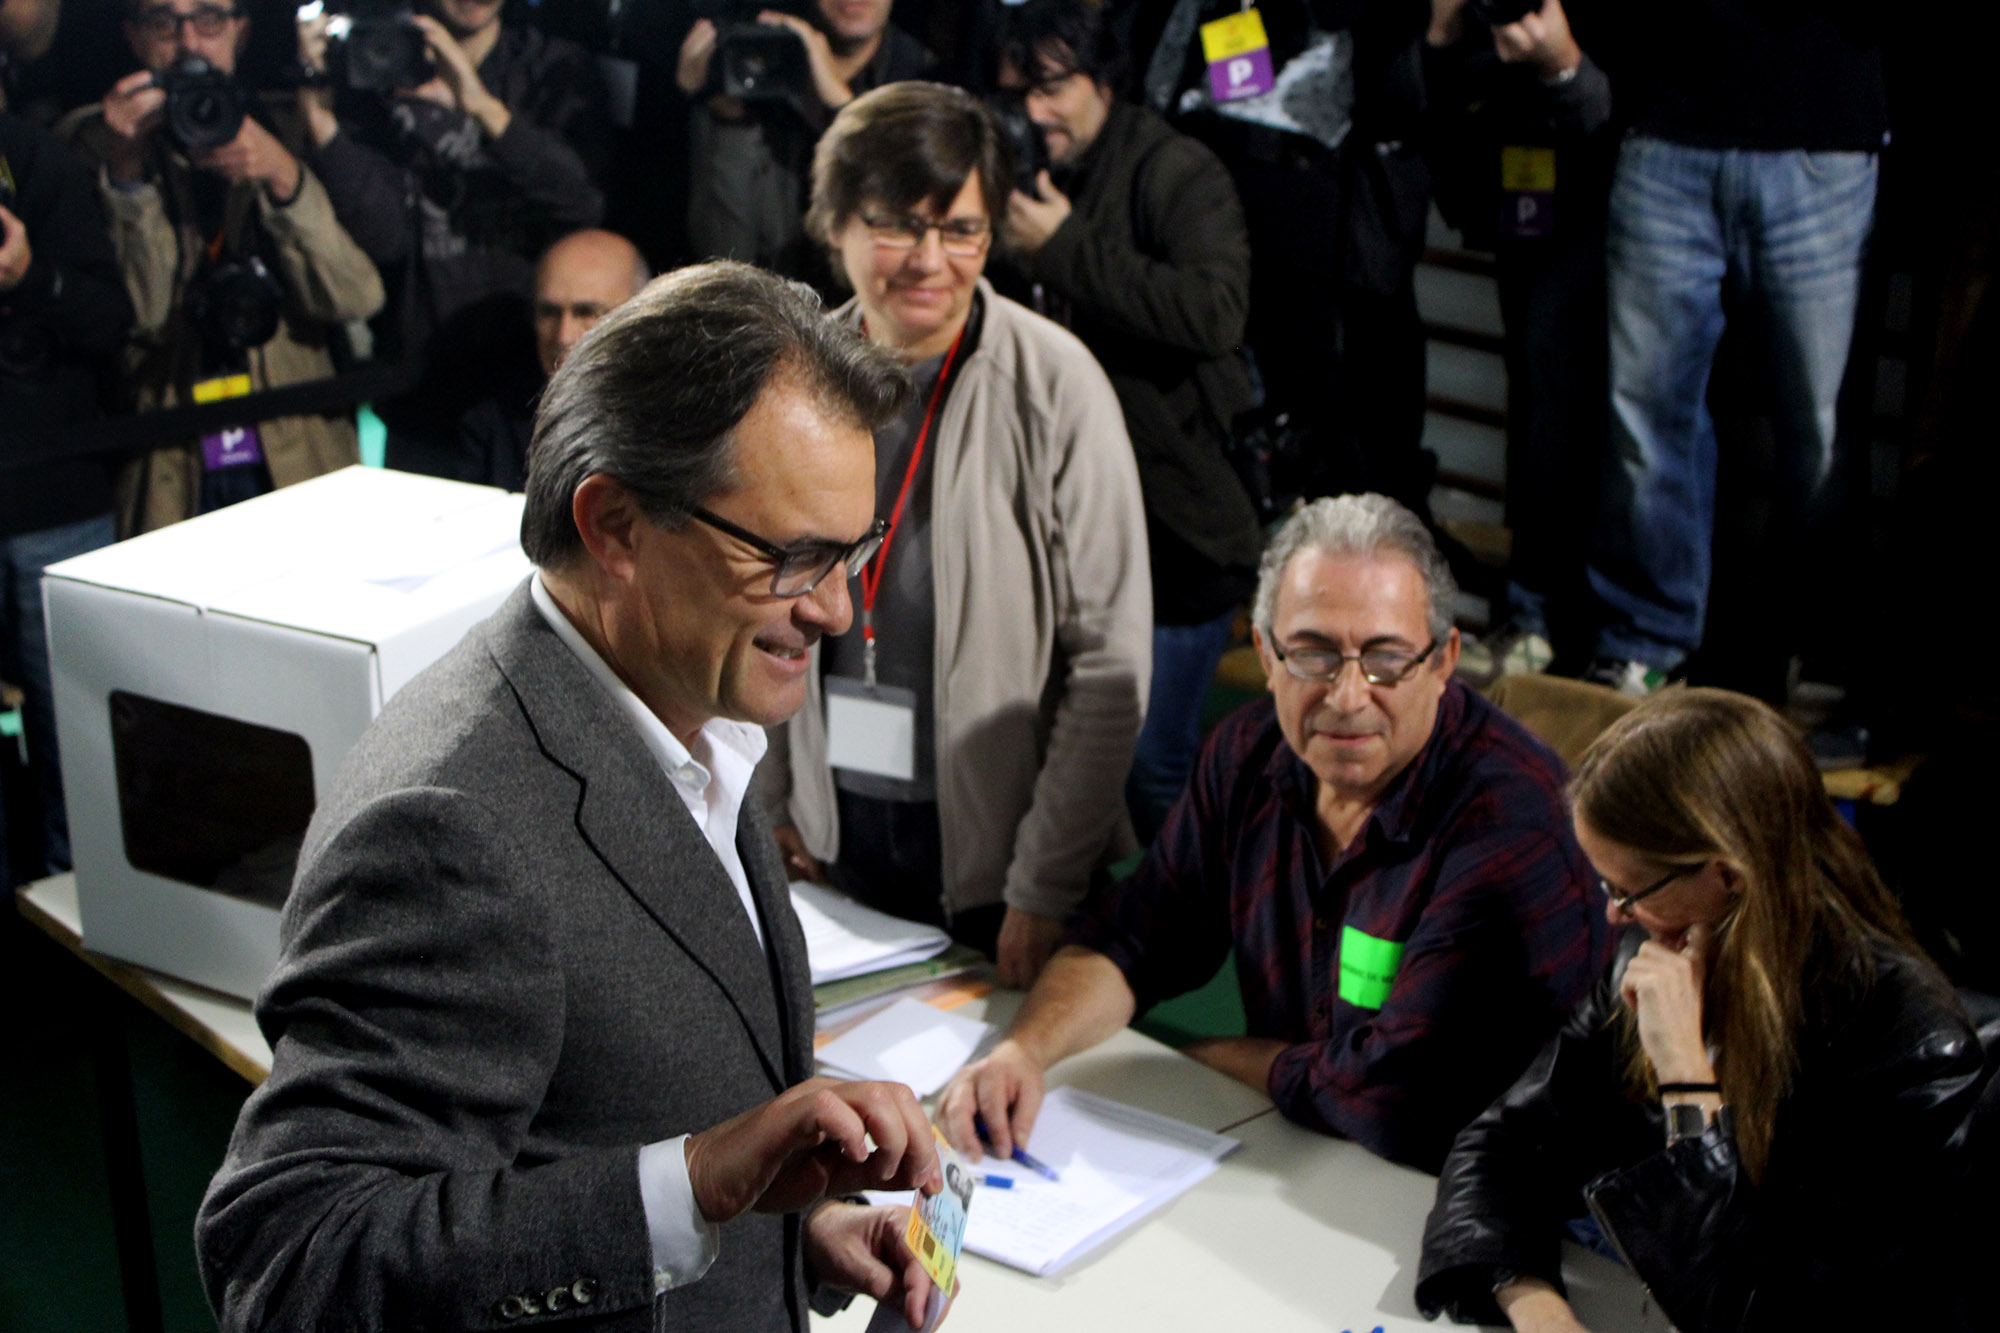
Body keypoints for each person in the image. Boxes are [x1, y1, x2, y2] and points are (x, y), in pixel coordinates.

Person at [196, 262, 951, 1331]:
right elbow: (290, 1267)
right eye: (793, 557)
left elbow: (613, 1118)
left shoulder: (688, 699)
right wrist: (690, 1185)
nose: (835, 607)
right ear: (614, 527)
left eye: (853, 550)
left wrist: (786, 1238)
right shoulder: (452, 826)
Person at [939, 494, 1610, 1172]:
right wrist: (1024, 1049)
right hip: (1303, 1154)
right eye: (1313, 654)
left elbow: (1393, 1095)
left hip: (1484, 1192)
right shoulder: (1246, 756)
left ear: (1443, 662)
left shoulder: (1514, 827)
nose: (1347, 695)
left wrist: (1199, 1061)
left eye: (1384, 659)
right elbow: (1137, 935)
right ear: (1265, 653)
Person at [1416, 688, 1985, 1331]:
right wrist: (1533, 1302)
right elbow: (1501, 1141)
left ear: (1728, 877)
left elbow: (1779, 1312)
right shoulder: (1661, 945)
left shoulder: (1907, 1048)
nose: (1614, 914)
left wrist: (1687, 1080)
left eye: (1629, 891)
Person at [761, 81, 1151, 989]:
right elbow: (759, 610)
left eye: (963, 229)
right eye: (899, 224)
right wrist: (777, 803)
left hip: (1004, 861)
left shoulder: (1056, 384)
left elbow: (1111, 666)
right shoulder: (790, 384)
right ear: (838, 224)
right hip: (831, 838)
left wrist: (1044, 882)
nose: (930, 260)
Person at [993, 0, 1262, 838]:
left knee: (1151, 759)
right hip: (1054, 520)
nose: (1033, 112)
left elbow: (1217, 312)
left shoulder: (1176, 171)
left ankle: (1199, 926)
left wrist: (1063, 247)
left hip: (1178, 527)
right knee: (1056, 747)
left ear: (1105, 81)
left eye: (1051, 87)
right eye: (1017, 91)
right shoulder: (1014, 168)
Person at [1578, 5, 1886, 699]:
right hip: (1665, 124)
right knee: (1647, 413)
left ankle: (1808, 642)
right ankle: (1645, 637)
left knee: (1822, 430)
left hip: (1824, 132)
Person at [61, 0, 383, 532]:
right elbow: (139, 314)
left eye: (209, 18)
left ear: (240, 30)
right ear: (134, 36)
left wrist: (284, 177)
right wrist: (127, 177)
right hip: (171, 446)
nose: (189, 43)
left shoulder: (291, 124)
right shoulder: (94, 143)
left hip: (295, 434)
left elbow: (355, 298)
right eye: (164, 23)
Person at [297, 0, 609, 475]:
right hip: (423, 385)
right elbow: (386, 239)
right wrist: (322, 124)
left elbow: (583, 204)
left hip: (535, 388)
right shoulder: (369, 62)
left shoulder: (554, 67)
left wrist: (480, 106)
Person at [1422, 0, 1615, 682]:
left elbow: (1620, 114)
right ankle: (1532, 613)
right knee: (1536, 405)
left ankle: (1554, 620)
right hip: (1521, 196)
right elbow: (1446, 99)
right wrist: (1446, 34)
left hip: (1608, 202)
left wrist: (1563, 63)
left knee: (1568, 410)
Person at [0, 104, 132, 886]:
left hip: (55, 504)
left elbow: (112, 318)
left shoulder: (35, 160)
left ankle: (79, 940)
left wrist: (27, 276)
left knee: (80, 752)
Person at [676, 0, 930, 281]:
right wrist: (720, 116)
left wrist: (844, 110)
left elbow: (904, 245)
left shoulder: (926, 84)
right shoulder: (758, 68)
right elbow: (726, 258)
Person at [453, 226, 648, 490]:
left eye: (586, 312)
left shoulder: (682, 425)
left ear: (638, 318)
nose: (563, 336)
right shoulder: (491, 422)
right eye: (549, 312)